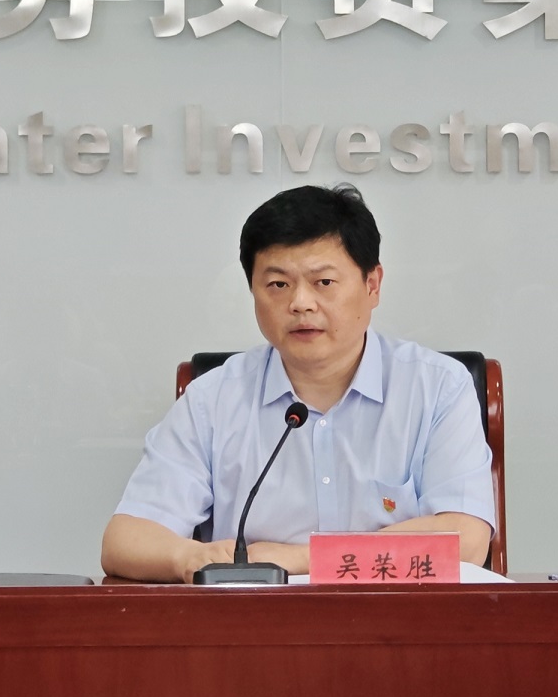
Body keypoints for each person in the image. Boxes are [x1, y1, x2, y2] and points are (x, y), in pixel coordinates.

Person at [102, 184, 497, 581]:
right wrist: (190, 557)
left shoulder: (436, 388)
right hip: (253, 617)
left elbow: (466, 540)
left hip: (399, 617)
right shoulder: (213, 399)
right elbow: (126, 540)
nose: (300, 303)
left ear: (372, 285)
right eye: (278, 284)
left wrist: (296, 559)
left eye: (323, 282)